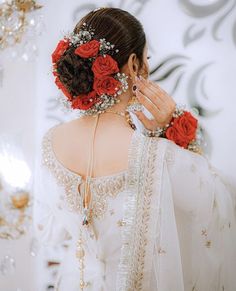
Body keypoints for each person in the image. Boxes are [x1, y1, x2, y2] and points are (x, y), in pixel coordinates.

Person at [33, 7, 236, 291]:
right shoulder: (156, 154)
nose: (148, 67)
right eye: (146, 58)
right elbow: (220, 203)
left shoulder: (50, 142)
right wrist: (173, 127)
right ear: (132, 64)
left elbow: (47, 232)